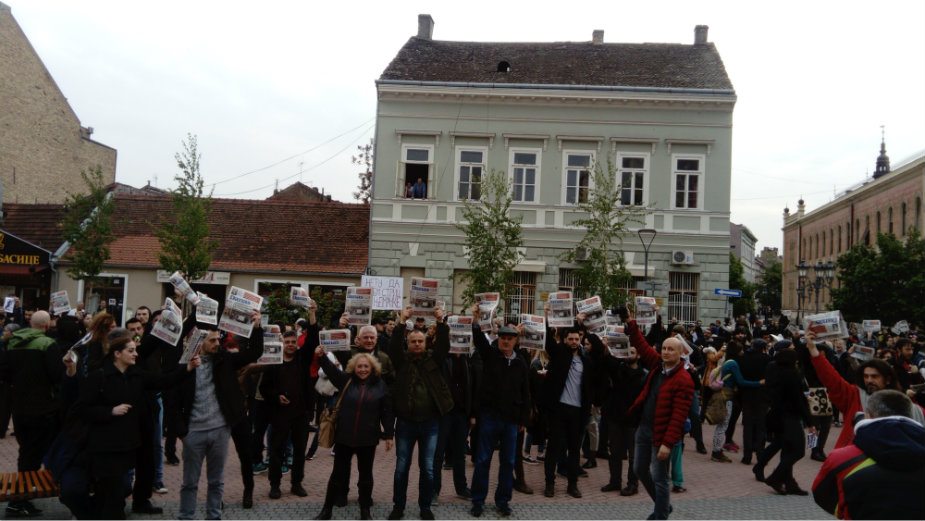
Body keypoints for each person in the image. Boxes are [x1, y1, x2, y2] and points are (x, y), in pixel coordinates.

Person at [73, 329, 200, 519]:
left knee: (118, 489)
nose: (136, 354)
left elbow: (163, 381)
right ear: (117, 354)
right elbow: (82, 409)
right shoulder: (99, 375)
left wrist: (187, 368)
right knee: (111, 493)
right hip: (105, 445)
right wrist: (110, 411)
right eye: (131, 351)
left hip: (127, 444)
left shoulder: (136, 375)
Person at [175, 311, 265, 520]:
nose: (218, 343)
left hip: (222, 426)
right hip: (194, 432)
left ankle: (216, 514)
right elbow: (173, 400)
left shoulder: (224, 359)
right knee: (190, 482)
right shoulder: (184, 366)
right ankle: (185, 517)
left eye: (218, 339)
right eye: (213, 340)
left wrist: (257, 328)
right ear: (200, 341)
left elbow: (254, 353)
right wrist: (181, 432)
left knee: (217, 480)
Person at [622, 307, 694, 521]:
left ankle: (661, 515)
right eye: (663, 348)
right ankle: (664, 506)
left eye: (671, 349)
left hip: (661, 434)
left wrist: (668, 443)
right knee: (639, 469)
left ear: (681, 353)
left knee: (660, 477)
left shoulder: (684, 380)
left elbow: (679, 416)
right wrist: (630, 323)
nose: (665, 352)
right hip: (644, 428)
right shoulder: (658, 366)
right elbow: (643, 347)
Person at [383, 306, 453, 521]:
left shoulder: (434, 359)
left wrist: (441, 322)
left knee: (428, 468)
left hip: (430, 423)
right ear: (408, 343)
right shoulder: (401, 360)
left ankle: (425, 507)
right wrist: (402, 321)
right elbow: (394, 346)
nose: (416, 344)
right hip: (405, 423)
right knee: (401, 467)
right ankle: (398, 506)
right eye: (413, 341)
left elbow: (443, 346)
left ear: (425, 343)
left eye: (420, 341)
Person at [812, 389, 925, 520]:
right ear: (909, 415)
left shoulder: (841, 458)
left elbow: (821, 494)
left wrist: (845, 512)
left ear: (868, 415)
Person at [806, 332, 925, 448]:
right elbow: (832, 379)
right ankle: (815, 449)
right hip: (854, 460)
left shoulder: (906, 406)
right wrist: (813, 350)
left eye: (874, 376)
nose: (869, 380)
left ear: (888, 379)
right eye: (866, 376)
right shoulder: (854, 396)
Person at [313, 349, 394, 520]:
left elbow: (387, 411)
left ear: (372, 368)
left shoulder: (380, 385)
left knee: (365, 476)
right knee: (337, 475)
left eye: (366, 366)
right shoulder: (346, 380)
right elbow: (330, 370)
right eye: (359, 366)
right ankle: (326, 510)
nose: (362, 369)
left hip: (367, 438)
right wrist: (320, 356)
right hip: (344, 436)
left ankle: (365, 512)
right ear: (353, 367)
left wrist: (388, 435)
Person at [0, 310, 65, 518]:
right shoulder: (47, 344)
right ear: (47, 326)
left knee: (26, 452)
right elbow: (57, 376)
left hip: (19, 408)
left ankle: (21, 498)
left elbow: (5, 373)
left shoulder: (12, 343)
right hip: (43, 408)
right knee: (33, 454)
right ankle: (19, 501)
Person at [469, 313, 531, 518]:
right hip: (489, 417)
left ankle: (503, 501)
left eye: (510, 338)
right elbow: (479, 340)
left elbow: (525, 392)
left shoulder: (521, 362)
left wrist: (523, 419)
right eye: (503, 337)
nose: (505, 341)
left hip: (512, 420)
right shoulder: (491, 355)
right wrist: (476, 321)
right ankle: (478, 501)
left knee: (508, 462)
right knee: (483, 460)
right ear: (498, 339)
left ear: (515, 341)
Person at [540, 313, 599, 500]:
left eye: (577, 338)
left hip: (578, 411)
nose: (574, 341)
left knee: (574, 450)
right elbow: (548, 339)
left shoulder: (586, 360)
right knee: (554, 448)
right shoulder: (558, 354)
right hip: (558, 409)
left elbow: (598, 349)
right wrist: (548, 316)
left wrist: (584, 324)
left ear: (580, 338)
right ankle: (549, 483)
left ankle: (572, 485)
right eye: (570, 338)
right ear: (565, 340)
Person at [260, 328, 315, 500]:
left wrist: (312, 314)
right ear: (282, 343)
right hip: (279, 414)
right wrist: (277, 397)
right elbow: (264, 388)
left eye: (293, 342)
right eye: (287, 342)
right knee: (276, 450)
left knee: (299, 451)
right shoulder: (274, 362)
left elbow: (312, 340)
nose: (290, 345)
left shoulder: (302, 360)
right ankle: (275, 484)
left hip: (300, 414)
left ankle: (296, 483)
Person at [760, 348, 815, 495]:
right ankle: (775, 477)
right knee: (798, 451)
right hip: (789, 417)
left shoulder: (773, 370)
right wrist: (810, 422)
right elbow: (798, 400)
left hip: (776, 415)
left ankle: (790, 483)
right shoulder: (792, 374)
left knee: (788, 450)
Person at [599, 344, 646, 496]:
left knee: (633, 456)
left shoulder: (642, 375)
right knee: (615, 452)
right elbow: (607, 362)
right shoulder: (619, 370)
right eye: (627, 351)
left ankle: (633, 484)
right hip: (616, 417)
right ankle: (615, 481)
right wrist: (608, 348)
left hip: (633, 420)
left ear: (638, 356)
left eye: (632, 352)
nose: (629, 354)